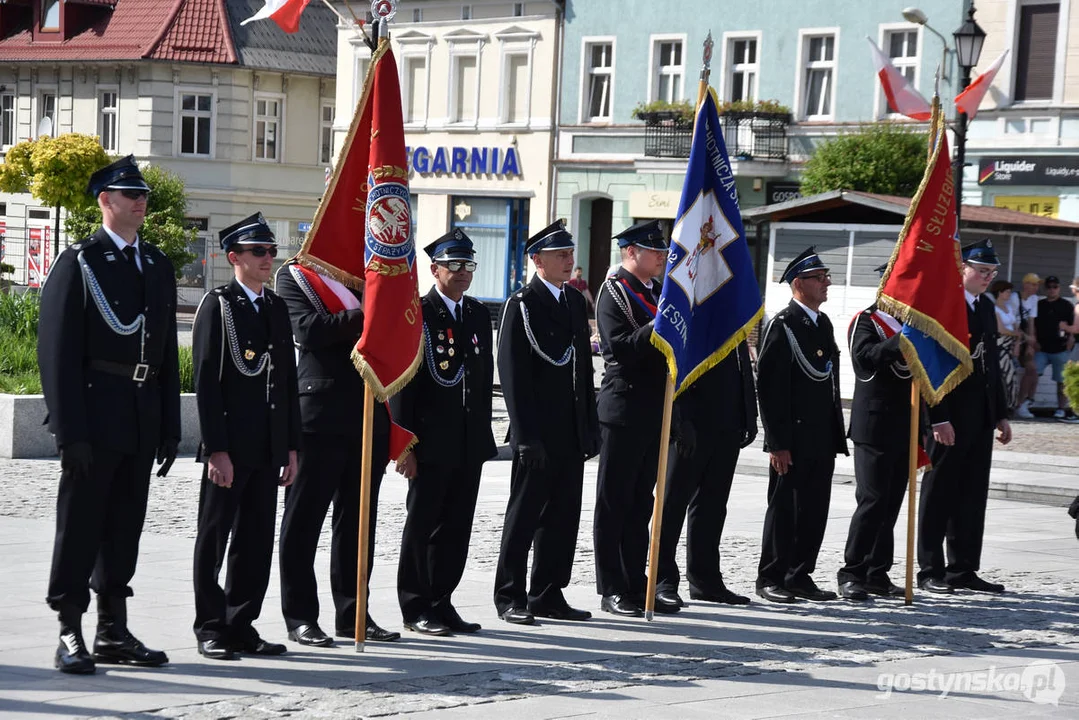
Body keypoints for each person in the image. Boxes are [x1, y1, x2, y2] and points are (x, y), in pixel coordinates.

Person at [38, 156, 179, 674]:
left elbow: (163, 355)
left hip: (139, 414)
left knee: (125, 527)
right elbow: (56, 352)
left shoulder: (156, 264)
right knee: (81, 525)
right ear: (104, 201)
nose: (140, 201)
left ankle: (112, 629)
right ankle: (69, 628)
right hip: (95, 414)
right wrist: (69, 430)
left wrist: (169, 425)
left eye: (143, 194)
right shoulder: (80, 261)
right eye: (128, 194)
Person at [191, 214, 300, 660]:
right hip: (231, 446)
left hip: (268, 446)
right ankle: (211, 626)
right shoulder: (218, 305)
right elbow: (207, 382)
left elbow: (287, 382)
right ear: (234, 257)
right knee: (215, 538)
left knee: (255, 542)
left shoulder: (274, 307)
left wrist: (291, 447)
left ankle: (242, 623)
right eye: (258, 252)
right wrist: (216, 448)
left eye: (272, 251)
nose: (267, 259)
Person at [274, 257, 399, 647]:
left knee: (358, 524)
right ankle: (300, 617)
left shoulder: (368, 276)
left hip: (368, 412)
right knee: (303, 522)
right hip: (320, 416)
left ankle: (353, 613)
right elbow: (308, 331)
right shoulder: (294, 276)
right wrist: (366, 316)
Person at [390, 229, 496, 636]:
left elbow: (482, 382)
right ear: (434, 269)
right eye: (454, 264)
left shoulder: (476, 314)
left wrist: (483, 437)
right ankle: (415, 605)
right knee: (423, 524)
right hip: (429, 442)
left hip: (467, 440)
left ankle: (442, 598)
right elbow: (403, 383)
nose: (463, 272)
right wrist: (404, 444)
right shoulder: (419, 313)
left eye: (469, 264)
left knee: (457, 525)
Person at [494, 219, 600, 625]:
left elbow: (582, 373)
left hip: (569, 430)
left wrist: (588, 426)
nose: (569, 261)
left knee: (563, 516)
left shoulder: (573, 302)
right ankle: (510, 595)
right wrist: (524, 436)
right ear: (537, 260)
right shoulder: (522, 304)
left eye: (570, 254)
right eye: (560, 255)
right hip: (536, 431)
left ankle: (548, 591)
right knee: (524, 516)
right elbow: (513, 374)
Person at [593, 219, 678, 617]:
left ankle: (635, 581)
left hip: (654, 409)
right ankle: (612, 586)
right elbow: (620, 349)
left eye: (662, 251)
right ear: (632, 253)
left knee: (642, 502)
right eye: (655, 251)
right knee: (615, 502)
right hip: (623, 408)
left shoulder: (657, 292)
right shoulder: (614, 292)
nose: (662, 257)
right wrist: (658, 325)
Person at [918, 238, 1012, 595]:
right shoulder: (945, 306)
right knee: (939, 492)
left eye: (993, 272)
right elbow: (930, 368)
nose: (988, 277)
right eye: (982, 270)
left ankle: (963, 568)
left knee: (972, 494)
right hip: (949, 415)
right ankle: (930, 569)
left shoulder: (985, 307)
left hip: (980, 415)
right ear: (962, 269)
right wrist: (937, 417)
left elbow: (991, 366)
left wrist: (1000, 414)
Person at [755, 247, 847, 604]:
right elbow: (771, 388)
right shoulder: (783, 324)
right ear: (798, 283)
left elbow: (828, 382)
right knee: (785, 509)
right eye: (819, 278)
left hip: (820, 435)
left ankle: (800, 574)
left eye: (826, 277)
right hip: (792, 437)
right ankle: (771, 576)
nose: (827, 283)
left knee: (813, 509)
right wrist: (776, 442)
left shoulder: (821, 323)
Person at [655, 342, 757, 607]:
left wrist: (748, 413)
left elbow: (740, 364)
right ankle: (661, 580)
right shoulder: (697, 307)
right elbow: (676, 365)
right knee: (672, 504)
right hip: (693, 424)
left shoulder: (734, 312)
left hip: (728, 422)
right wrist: (680, 418)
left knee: (712, 505)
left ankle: (705, 580)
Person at [836, 266, 915, 601]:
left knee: (892, 504)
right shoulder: (867, 320)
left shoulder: (915, 325)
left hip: (904, 425)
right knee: (872, 500)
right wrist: (903, 340)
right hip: (873, 425)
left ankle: (877, 572)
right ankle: (851, 572)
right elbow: (864, 360)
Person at [1033, 275, 1078, 422]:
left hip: (1061, 348)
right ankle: (1028, 402)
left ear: (1059, 288)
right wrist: (1033, 342)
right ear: (1045, 288)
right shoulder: (1040, 305)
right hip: (1042, 348)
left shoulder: (1067, 305)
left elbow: (1074, 326)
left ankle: (1061, 408)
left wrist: (1070, 338)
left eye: (1055, 287)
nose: (1052, 289)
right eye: (1049, 287)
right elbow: (1032, 324)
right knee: (1033, 373)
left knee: (1063, 381)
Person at [1011, 274, 1041, 419]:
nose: (1036, 288)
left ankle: (1023, 403)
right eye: (1033, 284)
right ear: (1025, 284)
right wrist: (1024, 338)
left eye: (1037, 285)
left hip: (1024, 339)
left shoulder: (1034, 299)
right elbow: (1012, 322)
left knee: (1032, 370)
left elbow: (1031, 322)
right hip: (1012, 338)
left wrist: (1031, 343)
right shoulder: (1014, 298)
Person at [991, 280, 1021, 412]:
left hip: (1011, 344)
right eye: (1007, 291)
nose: (1009, 294)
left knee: (1012, 374)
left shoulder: (1009, 309)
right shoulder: (994, 309)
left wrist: (1017, 342)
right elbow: (1001, 329)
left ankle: (1010, 404)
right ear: (1000, 292)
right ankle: (1004, 406)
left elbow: (1015, 327)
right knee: (1006, 374)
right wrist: (1016, 334)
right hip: (1001, 344)